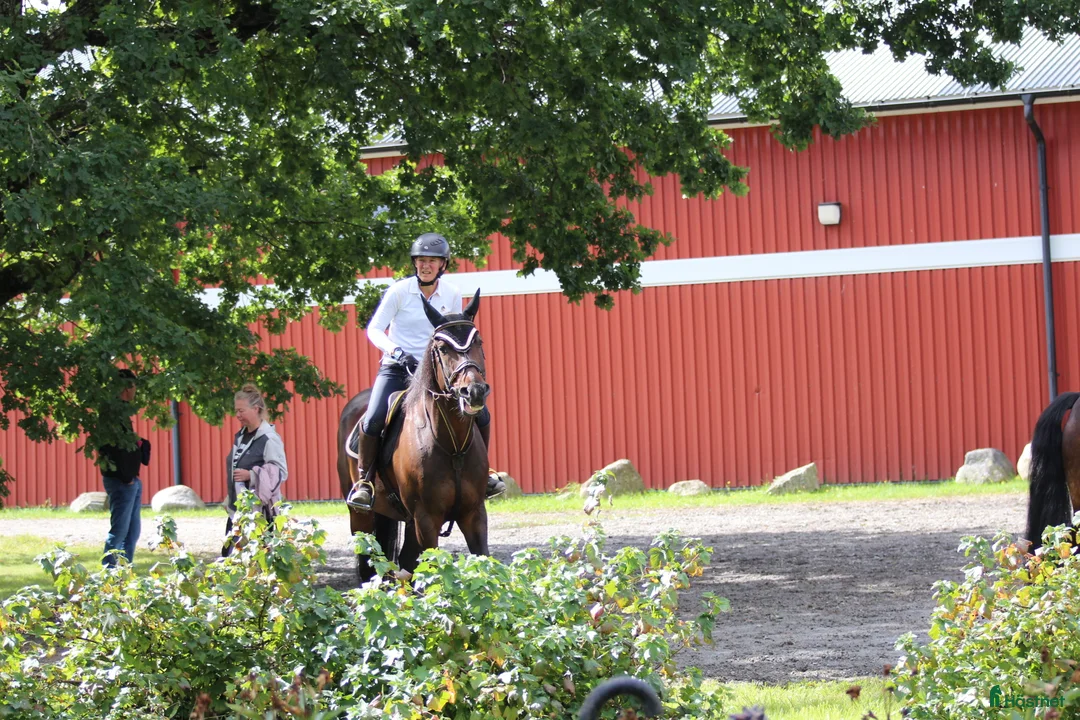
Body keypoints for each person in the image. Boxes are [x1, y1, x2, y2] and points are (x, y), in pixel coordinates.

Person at [345, 232, 505, 510]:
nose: (425, 266)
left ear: (443, 265)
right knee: (373, 418)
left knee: (481, 412)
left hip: (434, 371)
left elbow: (452, 335)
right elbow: (373, 329)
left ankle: (484, 474)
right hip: (397, 368)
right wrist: (396, 352)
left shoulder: (452, 294)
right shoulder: (399, 291)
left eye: (432, 261)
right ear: (414, 263)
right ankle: (365, 482)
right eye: (421, 260)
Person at [222, 383, 289, 556]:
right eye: (236, 411)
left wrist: (251, 475)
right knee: (233, 561)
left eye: (241, 411)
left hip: (261, 515)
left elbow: (281, 472)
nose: (237, 415)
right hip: (239, 512)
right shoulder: (241, 436)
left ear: (256, 409)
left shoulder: (269, 438)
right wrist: (230, 497)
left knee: (259, 562)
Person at [97, 368, 151, 568]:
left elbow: (126, 444)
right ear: (127, 387)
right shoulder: (110, 414)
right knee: (119, 531)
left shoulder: (121, 412)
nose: (135, 390)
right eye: (134, 386)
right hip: (121, 480)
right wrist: (126, 477)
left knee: (133, 531)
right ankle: (109, 571)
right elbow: (111, 448)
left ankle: (124, 571)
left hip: (131, 480)